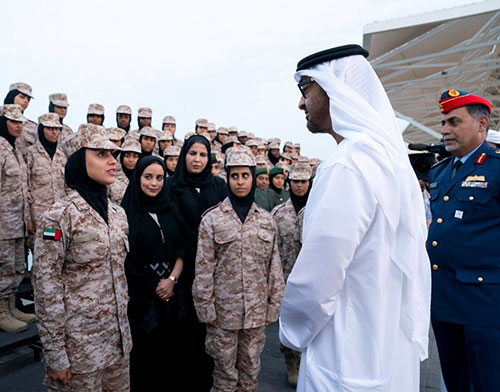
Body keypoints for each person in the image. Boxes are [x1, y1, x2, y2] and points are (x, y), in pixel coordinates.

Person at [279, 44, 431, 392]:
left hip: (343, 360)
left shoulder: (347, 165)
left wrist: (291, 333)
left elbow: (318, 276)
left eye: (306, 89)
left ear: (334, 88)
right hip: (388, 353)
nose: (301, 103)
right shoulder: (387, 160)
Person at [32, 124, 131, 391]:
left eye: (113, 154)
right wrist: (55, 354)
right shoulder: (58, 217)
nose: (112, 161)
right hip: (79, 353)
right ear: (78, 160)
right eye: (101, 154)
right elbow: (46, 288)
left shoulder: (118, 214)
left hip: (118, 346)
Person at [192, 148, 285, 392]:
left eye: (245, 175)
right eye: (235, 176)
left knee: (251, 374)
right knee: (223, 376)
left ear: (253, 178)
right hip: (222, 313)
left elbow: (273, 267)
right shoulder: (212, 219)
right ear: (227, 178)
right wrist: (206, 308)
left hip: (255, 312)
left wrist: (274, 305)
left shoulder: (266, 220)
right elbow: (203, 268)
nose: (240, 181)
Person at [427, 88, 500, 392]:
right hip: (444, 300)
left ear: (482, 124)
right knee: (456, 382)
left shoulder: (496, 168)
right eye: (443, 122)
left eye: (454, 122)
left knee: (488, 383)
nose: (445, 130)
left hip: (485, 304)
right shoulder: (441, 172)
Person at [121, 156, 189, 391]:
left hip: (171, 295)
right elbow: (129, 257)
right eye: (148, 177)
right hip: (142, 299)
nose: (154, 183)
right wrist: (156, 284)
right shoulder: (126, 212)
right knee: (143, 360)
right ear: (138, 177)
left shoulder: (170, 208)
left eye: (160, 178)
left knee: (169, 358)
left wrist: (171, 280)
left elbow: (183, 245)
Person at [165, 134, 227, 391]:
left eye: (203, 154)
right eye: (192, 154)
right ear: (184, 156)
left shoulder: (219, 186)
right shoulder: (172, 186)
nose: (197, 159)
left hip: (215, 270)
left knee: (211, 331)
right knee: (184, 330)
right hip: (183, 265)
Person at [271, 162, 311, 387]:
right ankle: (291, 364)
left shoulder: (318, 210)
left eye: (303, 182)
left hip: (309, 280)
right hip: (285, 279)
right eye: (295, 182)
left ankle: (308, 363)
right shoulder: (278, 213)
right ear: (289, 183)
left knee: (310, 323)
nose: (299, 186)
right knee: (287, 324)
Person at [0, 104, 33, 333]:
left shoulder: (14, 150)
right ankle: (1, 312)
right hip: (3, 223)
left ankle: (11, 307)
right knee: (4, 268)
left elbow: (24, 189)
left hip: (18, 221)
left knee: (17, 267)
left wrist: (28, 217)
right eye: (14, 122)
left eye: (21, 122)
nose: (19, 126)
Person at [25, 113, 68, 251]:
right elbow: (24, 188)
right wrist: (28, 219)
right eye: (50, 128)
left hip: (58, 216)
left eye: (57, 129)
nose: (55, 132)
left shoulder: (62, 155)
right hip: (38, 216)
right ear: (41, 130)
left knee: (55, 250)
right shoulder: (30, 154)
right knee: (40, 252)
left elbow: (67, 187)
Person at [4, 82, 37, 154]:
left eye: (28, 99)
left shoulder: (33, 127)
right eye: (22, 97)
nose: (26, 101)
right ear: (11, 96)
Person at [108, 139, 141, 204]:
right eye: (127, 156)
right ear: (121, 157)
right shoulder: (111, 177)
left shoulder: (143, 179)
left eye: (135, 156)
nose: (131, 160)